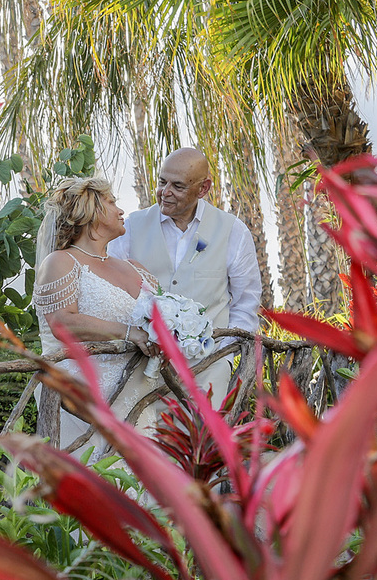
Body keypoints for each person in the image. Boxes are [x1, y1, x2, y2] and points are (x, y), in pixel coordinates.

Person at [107, 147, 262, 406]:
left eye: (177, 186)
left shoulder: (233, 231)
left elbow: (246, 303)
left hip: (207, 370)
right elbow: (113, 292)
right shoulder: (132, 227)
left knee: (199, 445)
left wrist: (224, 357)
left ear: (203, 189)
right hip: (140, 367)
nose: (165, 193)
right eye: (161, 182)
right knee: (144, 443)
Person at [34, 176, 165, 457]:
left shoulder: (135, 268)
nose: (121, 210)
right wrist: (129, 332)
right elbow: (61, 322)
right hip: (85, 402)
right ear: (90, 210)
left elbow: (163, 315)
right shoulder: (62, 261)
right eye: (111, 202)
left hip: (140, 393)